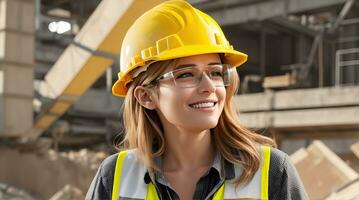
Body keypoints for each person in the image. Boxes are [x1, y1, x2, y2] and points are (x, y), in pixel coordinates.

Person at [86, 0, 309, 199]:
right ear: (145, 96)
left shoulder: (272, 173)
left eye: (215, 72)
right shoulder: (115, 177)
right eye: (186, 74)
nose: (209, 87)